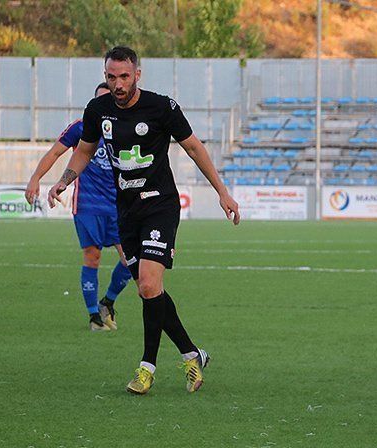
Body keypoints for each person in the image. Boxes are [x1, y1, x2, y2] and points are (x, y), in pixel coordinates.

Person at [48, 46, 241, 395]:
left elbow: (195, 148)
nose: (118, 84)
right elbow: (85, 150)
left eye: (124, 76)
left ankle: (146, 367)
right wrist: (65, 179)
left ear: (138, 74)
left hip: (159, 206)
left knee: (149, 285)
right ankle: (192, 353)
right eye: (111, 77)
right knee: (148, 290)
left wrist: (222, 192)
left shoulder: (161, 107)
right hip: (126, 211)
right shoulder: (98, 110)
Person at [26, 83, 132, 331]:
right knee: (92, 258)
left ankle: (108, 301)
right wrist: (35, 178)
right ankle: (94, 316)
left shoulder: (126, 127)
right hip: (88, 205)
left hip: (120, 206)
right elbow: (54, 153)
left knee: (131, 260)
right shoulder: (81, 127)